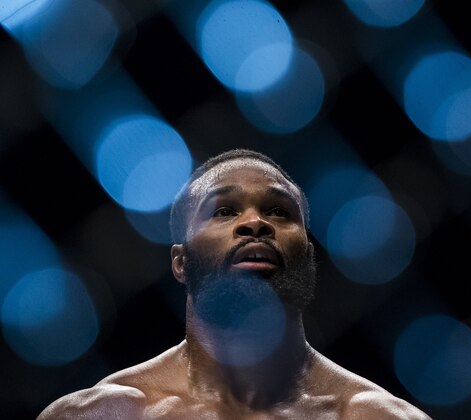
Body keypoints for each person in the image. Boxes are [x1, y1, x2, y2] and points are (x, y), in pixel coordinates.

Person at [37, 149, 432, 419]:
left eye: (279, 211)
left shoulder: (373, 415)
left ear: (308, 254)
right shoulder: (105, 414)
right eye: (223, 210)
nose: (255, 223)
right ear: (180, 261)